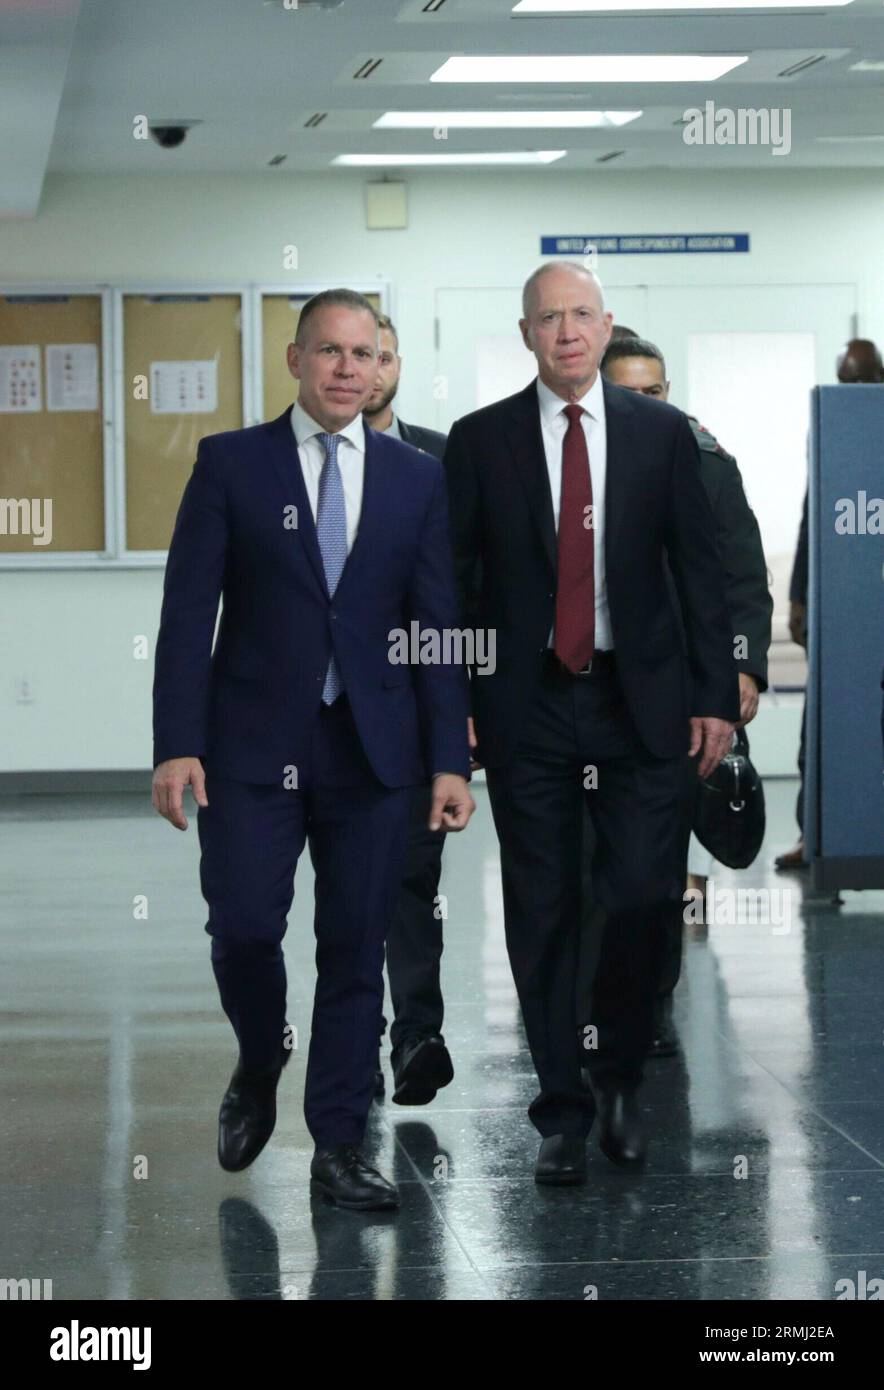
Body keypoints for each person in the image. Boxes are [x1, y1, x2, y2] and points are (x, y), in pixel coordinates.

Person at [151, 288, 474, 1212]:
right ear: (295, 361)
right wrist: (177, 744)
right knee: (247, 927)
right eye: (328, 351)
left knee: (355, 950)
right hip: (251, 749)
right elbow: (185, 619)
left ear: (384, 368)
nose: (347, 369)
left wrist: (448, 757)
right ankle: (260, 1056)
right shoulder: (231, 465)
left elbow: (436, 625)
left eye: (364, 354)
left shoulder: (416, 476)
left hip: (376, 755)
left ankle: (339, 1144)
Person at [444, 262, 738, 1183]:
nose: (566, 333)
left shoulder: (662, 437)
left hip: (639, 700)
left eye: (580, 316)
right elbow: (454, 586)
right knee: (543, 906)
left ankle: (618, 1080)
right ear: (525, 333)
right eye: (548, 319)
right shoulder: (481, 441)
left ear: (605, 327)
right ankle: (563, 1110)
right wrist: (453, 702)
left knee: (644, 893)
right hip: (527, 704)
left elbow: (702, 570)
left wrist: (715, 694)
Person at [599, 335, 772, 1054]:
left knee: (659, 856)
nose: (643, 406)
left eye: (654, 393)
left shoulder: (702, 459)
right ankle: (577, 1004)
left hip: (672, 686)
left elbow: (739, 569)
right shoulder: (553, 459)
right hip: (578, 684)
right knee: (579, 860)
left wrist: (742, 667)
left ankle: (648, 1007)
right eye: (626, 394)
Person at [363, 314, 456, 1104]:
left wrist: (463, 708)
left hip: (418, 708)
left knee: (413, 880)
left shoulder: (441, 460)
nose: (369, 367)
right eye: (353, 352)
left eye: (382, 354)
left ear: (398, 364)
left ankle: (417, 1036)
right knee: (347, 888)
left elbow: (463, 595)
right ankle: (352, 1048)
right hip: (325, 717)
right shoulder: (281, 462)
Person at [776, 338, 884, 870]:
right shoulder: (830, 425)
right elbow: (811, 512)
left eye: (865, 380)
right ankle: (812, 835)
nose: (855, 390)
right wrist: (798, 595)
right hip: (836, 605)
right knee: (816, 727)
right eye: (847, 380)